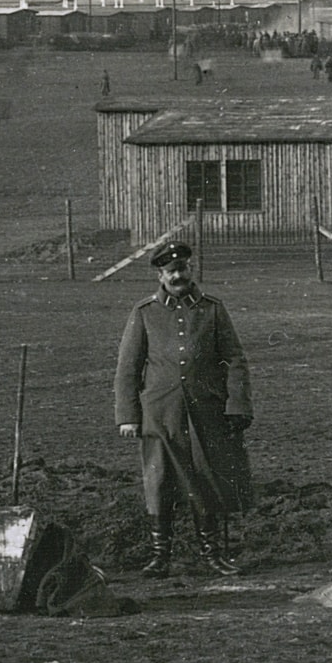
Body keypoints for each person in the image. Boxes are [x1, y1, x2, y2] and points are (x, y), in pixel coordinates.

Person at [112, 241, 254, 577]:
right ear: (160, 276)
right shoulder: (144, 313)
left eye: (183, 269)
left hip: (207, 413)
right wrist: (128, 417)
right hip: (159, 414)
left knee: (207, 478)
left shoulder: (212, 310)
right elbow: (128, 368)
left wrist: (237, 405)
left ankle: (213, 555)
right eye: (171, 271)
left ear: (191, 269)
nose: (178, 276)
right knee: (159, 481)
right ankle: (160, 557)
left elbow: (234, 359)